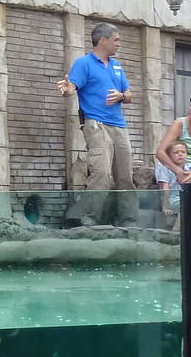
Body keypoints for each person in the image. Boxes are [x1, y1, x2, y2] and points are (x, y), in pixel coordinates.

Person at [57, 22, 134, 226]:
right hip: (96, 125)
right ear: (103, 40)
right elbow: (71, 86)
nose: (119, 44)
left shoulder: (117, 66)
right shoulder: (84, 63)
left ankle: (129, 221)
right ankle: (90, 220)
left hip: (120, 126)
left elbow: (130, 95)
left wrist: (121, 96)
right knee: (101, 173)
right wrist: (67, 89)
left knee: (126, 175)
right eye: (116, 40)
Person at [155, 140, 191, 225]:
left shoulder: (190, 167)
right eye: (176, 152)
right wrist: (165, 207)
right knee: (187, 205)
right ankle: (176, 232)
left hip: (188, 197)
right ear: (169, 156)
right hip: (173, 200)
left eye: (183, 152)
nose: (180, 154)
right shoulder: (165, 169)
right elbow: (165, 188)